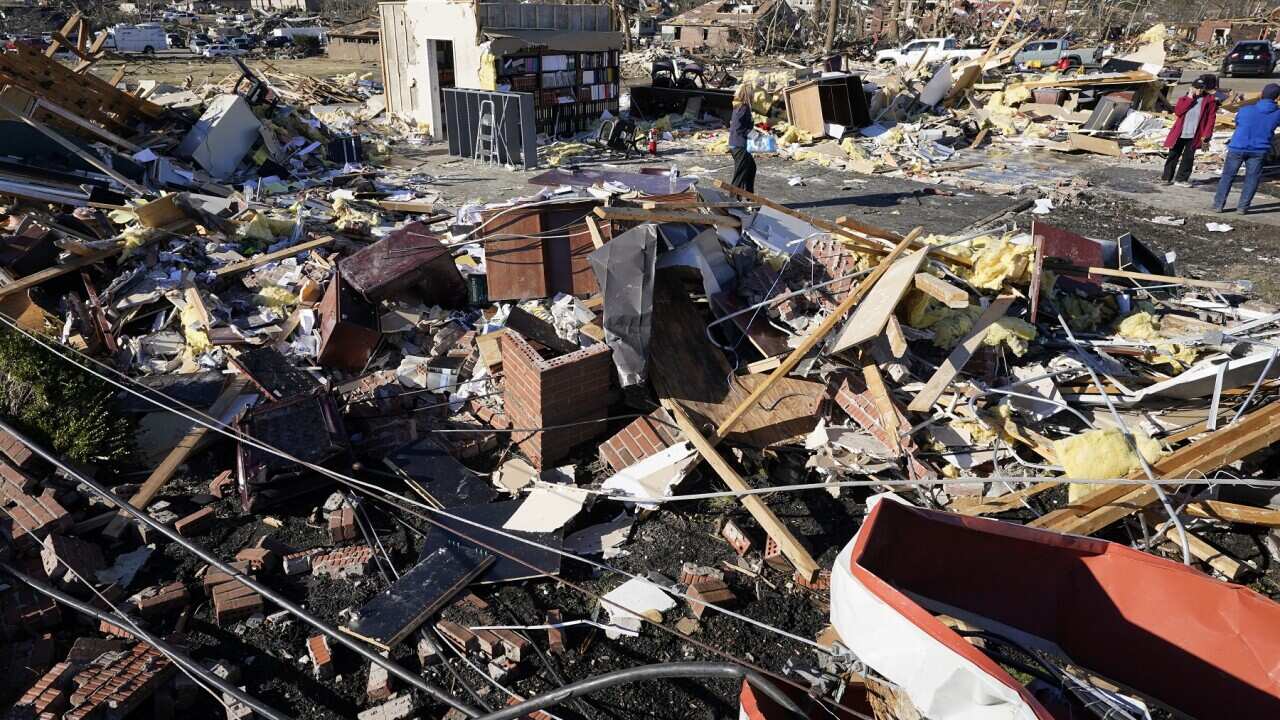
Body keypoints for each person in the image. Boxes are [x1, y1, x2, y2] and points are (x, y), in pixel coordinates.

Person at [1214, 83, 1280, 215]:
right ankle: (1242, 208)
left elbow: (1238, 123)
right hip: (1259, 149)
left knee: (1227, 176)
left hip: (1238, 146)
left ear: (1262, 94)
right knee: (1252, 179)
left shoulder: (1246, 109)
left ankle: (1218, 205)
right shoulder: (1277, 113)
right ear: (1277, 98)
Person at [1162, 74, 1219, 187]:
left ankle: (1181, 179)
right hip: (1180, 133)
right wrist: (1189, 97)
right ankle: (1166, 178)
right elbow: (1178, 112)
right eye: (1196, 88)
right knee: (1173, 155)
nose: (1199, 90)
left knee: (1188, 158)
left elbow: (1211, 119)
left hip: (1195, 134)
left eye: (1201, 88)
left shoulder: (1209, 100)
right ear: (1192, 88)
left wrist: (1207, 134)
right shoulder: (1184, 99)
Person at [728, 83, 757, 193]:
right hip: (738, 145)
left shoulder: (740, 107)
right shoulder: (742, 108)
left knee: (751, 168)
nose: (754, 96)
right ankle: (733, 200)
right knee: (740, 174)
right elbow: (739, 128)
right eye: (752, 94)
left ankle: (749, 196)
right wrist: (754, 134)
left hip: (739, 144)